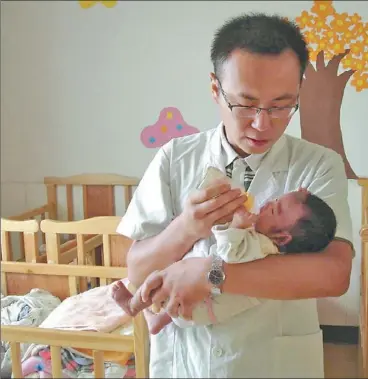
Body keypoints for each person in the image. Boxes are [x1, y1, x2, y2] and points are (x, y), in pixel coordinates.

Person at [116, 12, 354, 378]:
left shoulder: (319, 165)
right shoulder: (175, 158)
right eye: (245, 104)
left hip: (274, 360)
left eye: (281, 105)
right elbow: (137, 268)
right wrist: (187, 228)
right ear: (216, 89)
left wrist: (212, 273)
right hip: (188, 360)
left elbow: (333, 274)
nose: (262, 123)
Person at [112, 187, 338, 332]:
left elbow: (229, 254)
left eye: (275, 210)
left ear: (282, 236)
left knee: (157, 279)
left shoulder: (261, 246)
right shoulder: (270, 247)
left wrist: (237, 226)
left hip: (202, 305)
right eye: (276, 199)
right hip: (203, 308)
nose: (268, 204)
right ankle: (157, 321)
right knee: (170, 296)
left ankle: (133, 305)